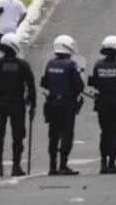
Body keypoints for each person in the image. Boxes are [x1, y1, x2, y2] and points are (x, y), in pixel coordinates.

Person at [0, 33, 36, 177]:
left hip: (0, 102)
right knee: (18, 135)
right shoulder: (23, 65)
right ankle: (16, 166)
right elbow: (31, 86)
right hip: (17, 103)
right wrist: (33, 105)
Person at [41, 35, 84, 176]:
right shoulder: (71, 65)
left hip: (52, 103)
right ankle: (63, 165)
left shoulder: (50, 64)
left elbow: (45, 83)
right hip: (66, 104)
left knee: (53, 135)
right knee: (66, 134)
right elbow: (79, 86)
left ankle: (52, 166)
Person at [88, 35, 116, 174]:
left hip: (102, 102)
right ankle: (112, 163)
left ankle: (103, 162)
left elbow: (94, 83)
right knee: (114, 133)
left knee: (105, 132)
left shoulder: (98, 65)